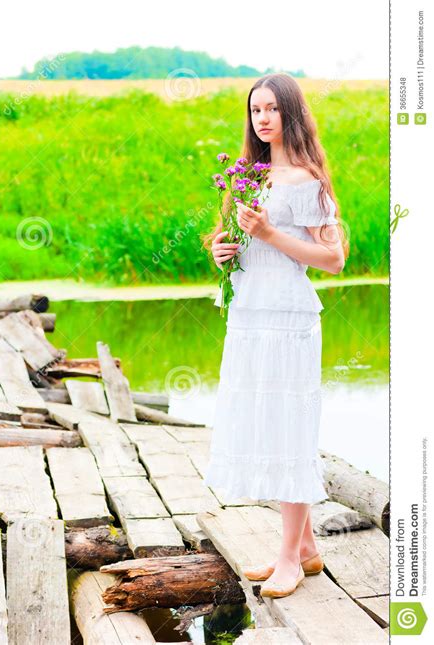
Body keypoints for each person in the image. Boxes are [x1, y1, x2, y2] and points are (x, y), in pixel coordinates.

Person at [202, 73, 349, 599]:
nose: (262, 118)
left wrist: (270, 234)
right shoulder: (247, 175)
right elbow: (240, 246)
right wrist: (224, 250)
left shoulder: (308, 178)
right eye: (254, 110)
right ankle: (306, 549)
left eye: (271, 109)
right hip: (248, 316)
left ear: (291, 112)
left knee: (289, 429)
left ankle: (288, 557)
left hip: (288, 321)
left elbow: (333, 259)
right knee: (263, 424)